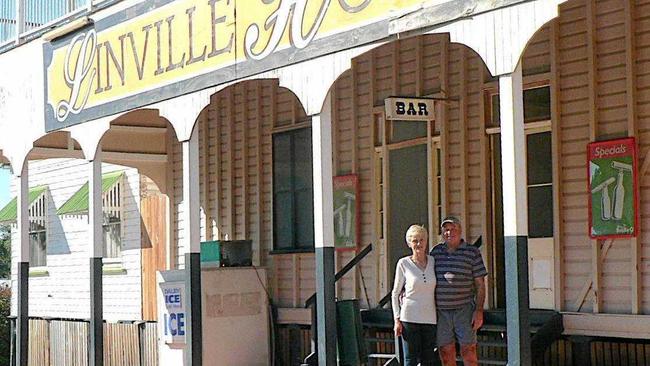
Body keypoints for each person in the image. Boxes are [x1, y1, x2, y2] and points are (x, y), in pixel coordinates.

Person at [430, 216, 487, 366]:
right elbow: (423, 276)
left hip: (465, 309)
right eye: (446, 229)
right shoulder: (435, 253)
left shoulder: (472, 252)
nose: (449, 232)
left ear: (460, 231)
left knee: (469, 351)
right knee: (446, 353)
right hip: (441, 311)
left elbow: (480, 285)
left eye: (453, 229)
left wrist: (479, 310)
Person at [391, 224, 437, 366]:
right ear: (409, 243)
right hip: (409, 317)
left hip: (430, 318)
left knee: (428, 359)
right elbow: (395, 293)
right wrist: (397, 319)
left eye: (422, 240)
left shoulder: (433, 261)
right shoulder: (403, 263)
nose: (419, 244)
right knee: (410, 359)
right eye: (415, 240)